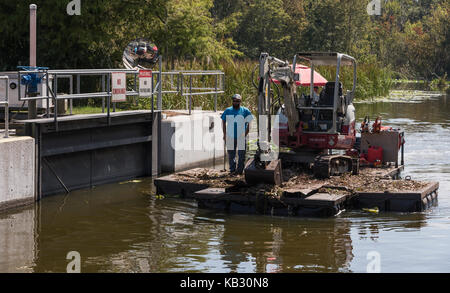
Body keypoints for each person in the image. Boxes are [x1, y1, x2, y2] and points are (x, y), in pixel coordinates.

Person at [221, 94, 253, 175]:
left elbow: (250, 123)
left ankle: (239, 171)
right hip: (230, 136)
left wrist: (245, 134)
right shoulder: (228, 110)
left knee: (241, 156)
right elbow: (223, 122)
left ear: (240, 101)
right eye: (234, 101)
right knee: (231, 155)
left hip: (241, 137)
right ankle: (232, 170)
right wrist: (224, 134)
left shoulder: (245, 111)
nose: (235, 102)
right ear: (232, 101)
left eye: (237, 101)